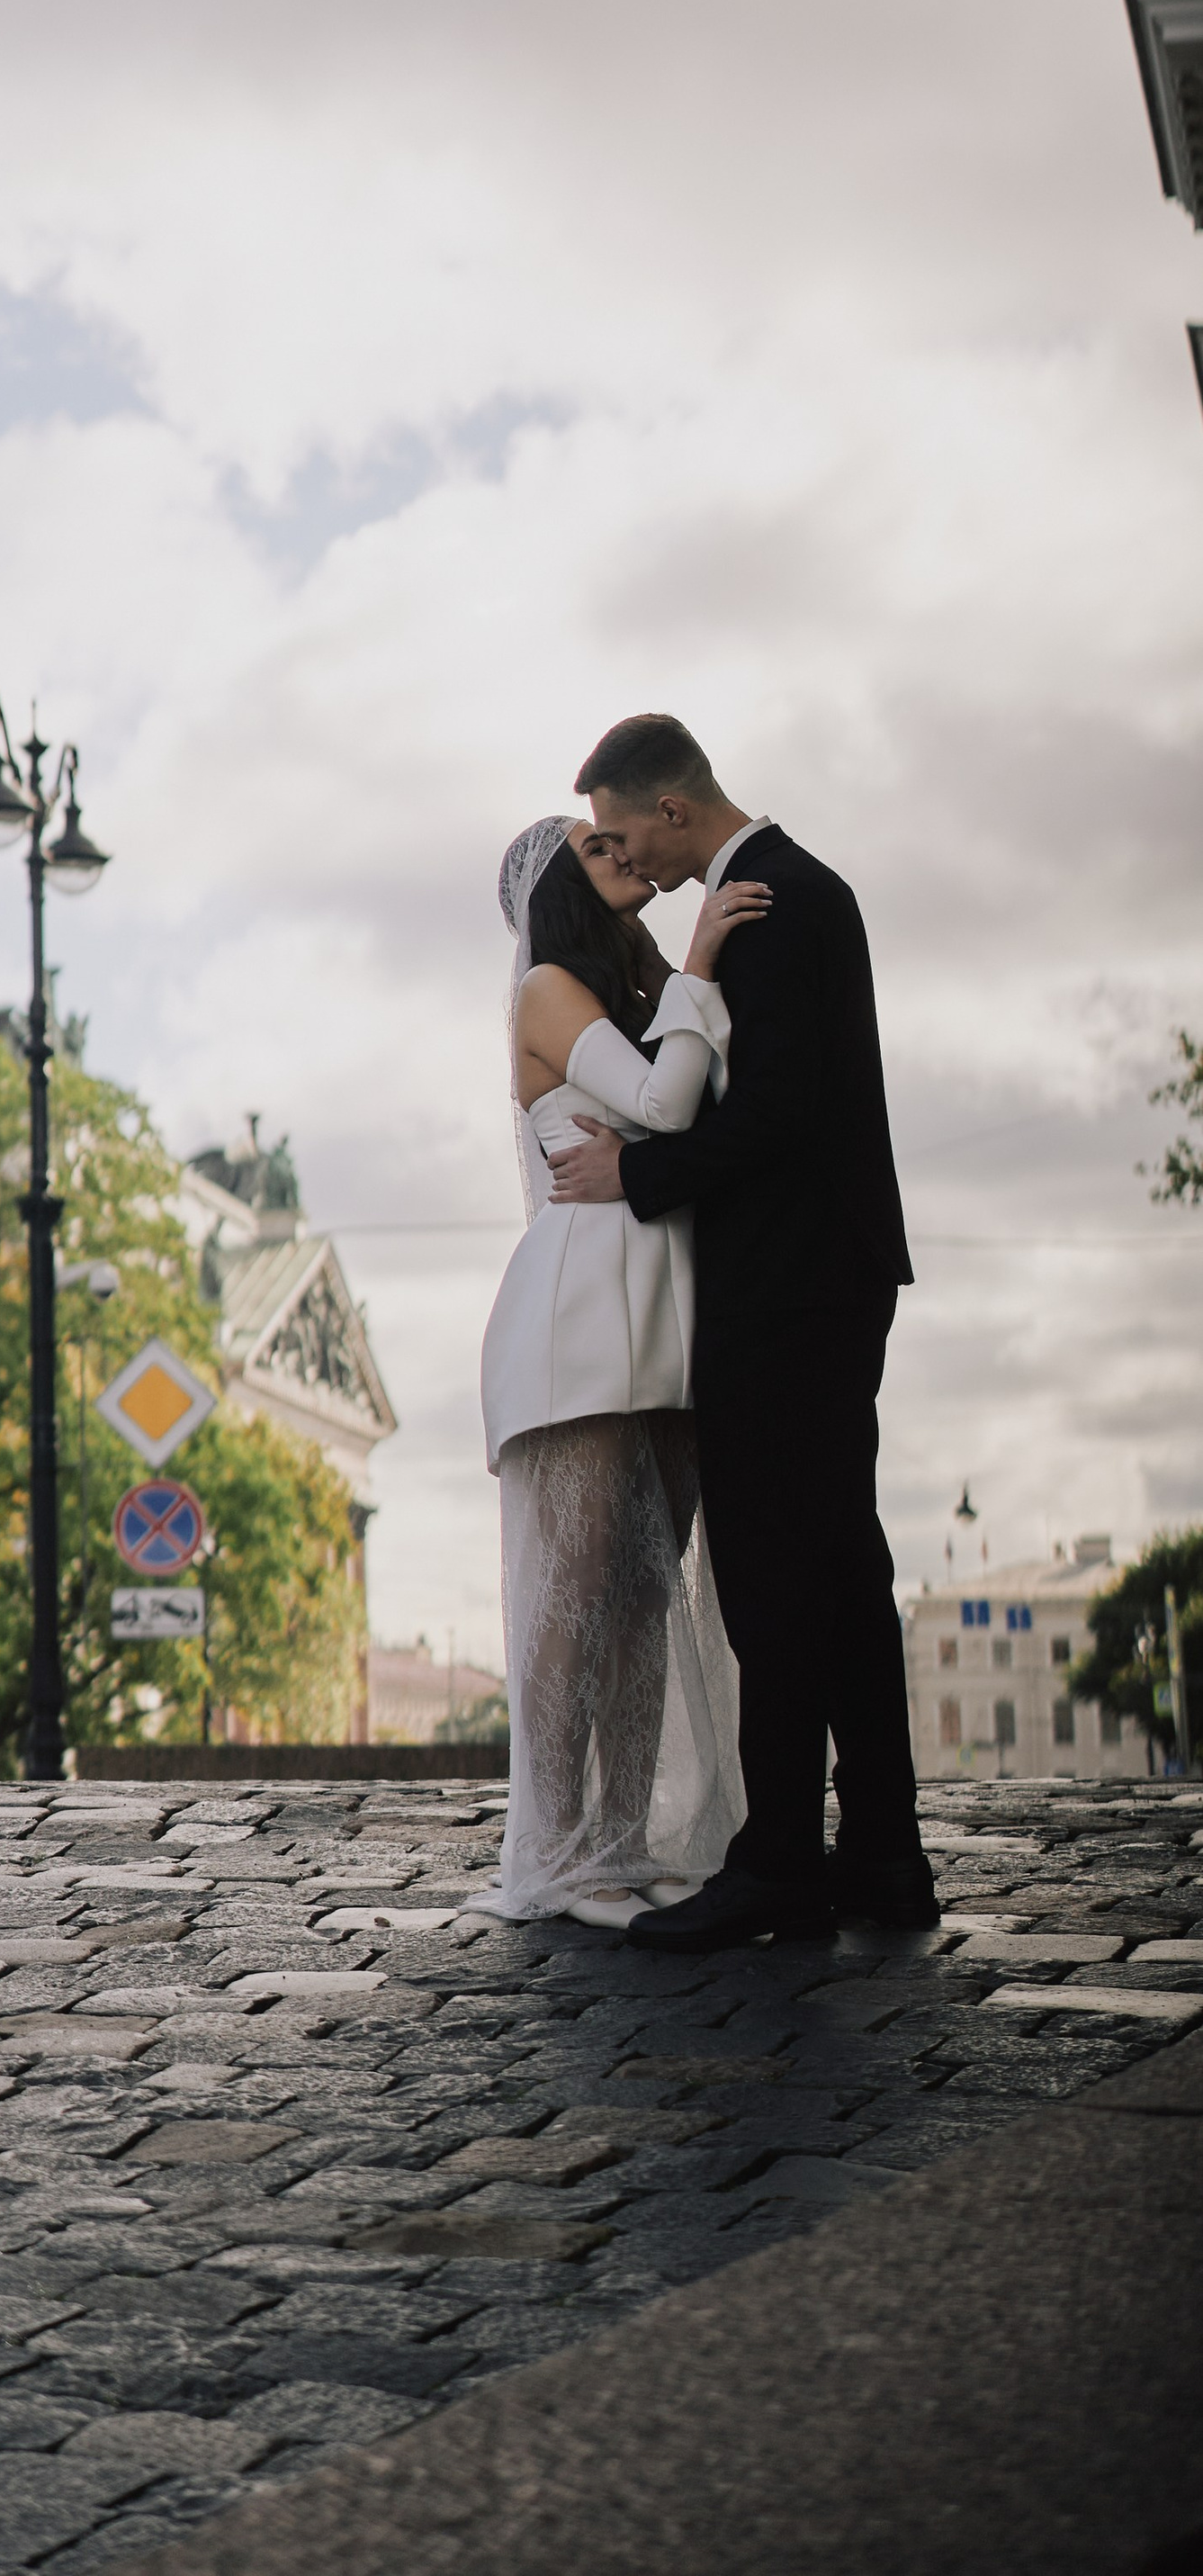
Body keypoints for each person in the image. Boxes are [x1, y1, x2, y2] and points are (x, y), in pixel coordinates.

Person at [548, 713, 936, 1948]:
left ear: (672, 810)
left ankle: (780, 1861)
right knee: (842, 1572)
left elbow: (774, 1115)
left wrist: (640, 1178)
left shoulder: (770, 901)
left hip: (788, 1286)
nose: (631, 865)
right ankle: (879, 1851)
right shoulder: (804, 891)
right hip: (829, 1275)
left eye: (624, 835)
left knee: (772, 1573)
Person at [482, 815, 760, 1924]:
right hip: (579, 1313)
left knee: (644, 1591)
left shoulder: (637, 992)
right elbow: (661, 1104)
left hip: (669, 1307)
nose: (627, 855)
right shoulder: (548, 986)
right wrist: (699, 962)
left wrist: (680, 983)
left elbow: (684, 1110)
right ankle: (556, 1847)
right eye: (598, 852)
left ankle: (623, 1834)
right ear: (559, 888)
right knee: (576, 1584)